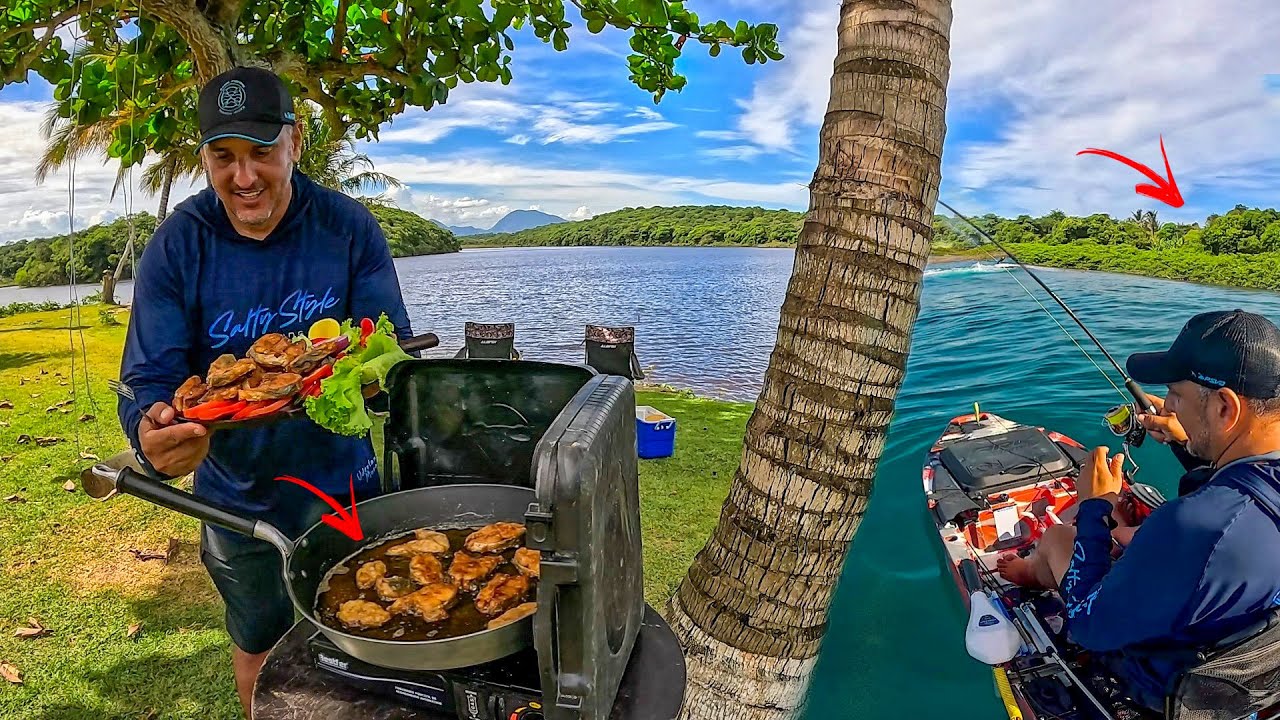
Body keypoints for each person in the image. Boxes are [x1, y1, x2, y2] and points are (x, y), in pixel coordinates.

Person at [116, 66, 413, 718]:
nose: (243, 178)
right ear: (204, 157)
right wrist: (149, 429)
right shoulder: (177, 246)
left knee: (371, 635)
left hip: (346, 489)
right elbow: (147, 381)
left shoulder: (347, 228)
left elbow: (392, 352)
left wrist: (366, 375)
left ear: (295, 143)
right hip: (236, 505)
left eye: (260, 154)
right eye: (223, 157)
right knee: (259, 643)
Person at [997, 309, 1280, 712]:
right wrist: (1190, 441)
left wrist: (1095, 506)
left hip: (1170, 683)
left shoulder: (1197, 525)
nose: (1168, 406)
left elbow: (1089, 625)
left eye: (1177, 396)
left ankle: (1035, 569)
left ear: (1224, 408)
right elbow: (1240, 490)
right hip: (1250, 662)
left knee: (1061, 537)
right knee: (1130, 536)